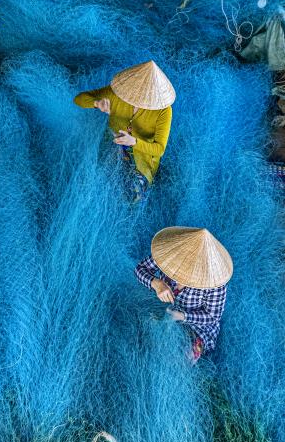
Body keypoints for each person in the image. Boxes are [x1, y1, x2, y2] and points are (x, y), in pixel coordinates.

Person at [74, 60, 175, 202]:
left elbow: (159, 149)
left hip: (143, 155)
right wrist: (96, 103)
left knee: (134, 195)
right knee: (93, 183)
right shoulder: (117, 94)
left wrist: (133, 141)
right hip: (112, 145)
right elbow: (79, 99)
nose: (136, 101)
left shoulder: (164, 111)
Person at [134, 226, 233, 362]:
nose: (180, 277)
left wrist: (181, 316)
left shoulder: (215, 283)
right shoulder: (170, 253)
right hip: (163, 309)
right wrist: (156, 283)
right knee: (141, 336)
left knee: (182, 358)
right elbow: (140, 269)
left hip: (197, 325)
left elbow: (212, 316)